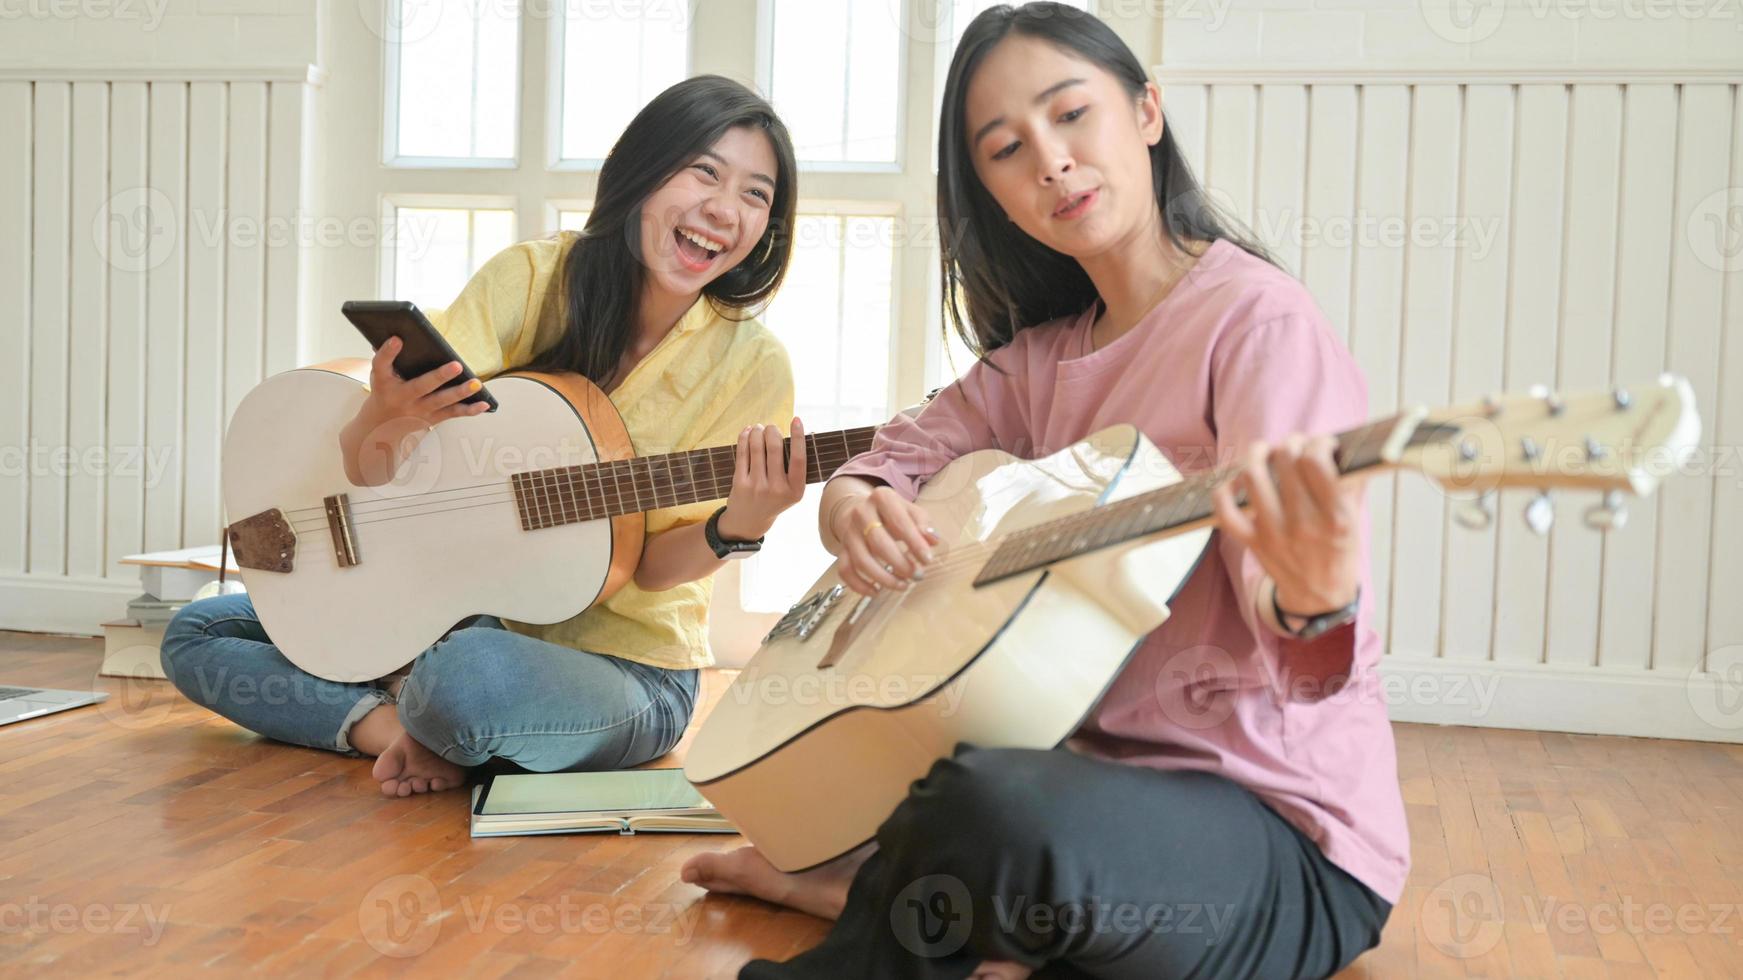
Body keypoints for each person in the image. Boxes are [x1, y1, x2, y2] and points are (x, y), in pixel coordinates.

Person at [680, 6, 1408, 978]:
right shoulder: (1038, 361)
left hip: (1280, 834)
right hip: (1089, 793)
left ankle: (892, 905)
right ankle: (941, 905)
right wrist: (853, 509)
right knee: (962, 787)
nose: (1053, 162)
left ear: (1146, 111)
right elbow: (883, 461)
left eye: (1073, 115)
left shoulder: (1260, 326)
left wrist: (1319, 592)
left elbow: (1310, 663)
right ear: (993, 196)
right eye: (1008, 149)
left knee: (986, 807)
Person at [162, 76, 808, 798]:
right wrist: (387, 416)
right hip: (456, 613)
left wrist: (738, 528)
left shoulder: (752, 365)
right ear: (644, 171)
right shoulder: (533, 279)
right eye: (705, 172)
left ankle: (432, 712)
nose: (725, 210)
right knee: (198, 633)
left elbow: (652, 570)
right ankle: (389, 730)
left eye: (757, 195)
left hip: (626, 671)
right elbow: (374, 464)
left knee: (468, 675)